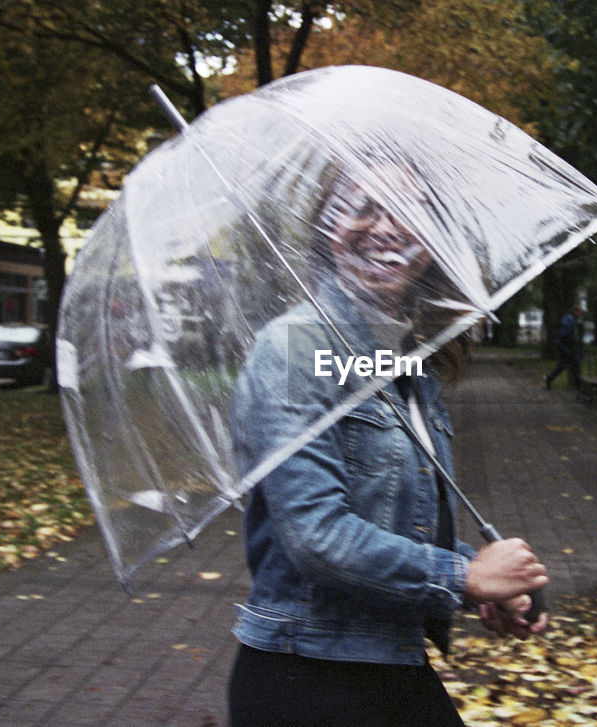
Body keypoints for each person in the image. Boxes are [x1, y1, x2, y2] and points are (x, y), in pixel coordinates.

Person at [227, 163, 550, 727]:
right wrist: (461, 577)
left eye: (410, 211)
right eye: (363, 206)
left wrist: (481, 586)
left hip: (387, 664)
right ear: (329, 228)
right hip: (308, 678)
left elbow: (394, 522)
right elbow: (316, 534)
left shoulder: (405, 359)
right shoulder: (295, 348)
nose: (387, 227)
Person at [544, 305, 583, 389]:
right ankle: (577, 385)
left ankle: (549, 379)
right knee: (574, 364)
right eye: (579, 312)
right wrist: (573, 341)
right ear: (575, 312)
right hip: (566, 346)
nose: (580, 314)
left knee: (566, 365)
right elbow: (567, 334)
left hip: (563, 345)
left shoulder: (568, 318)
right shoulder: (570, 320)